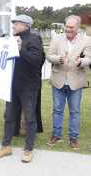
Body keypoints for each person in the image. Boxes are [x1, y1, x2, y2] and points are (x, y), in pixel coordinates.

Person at [0, 14, 43, 163]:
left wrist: (21, 48)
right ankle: (6, 146)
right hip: (12, 85)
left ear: (25, 25)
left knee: (29, 118)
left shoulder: (34, 39)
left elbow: (36, 60)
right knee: (9, 116)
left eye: (16, 23)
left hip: (28, 87)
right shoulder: (10, 39)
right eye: (13, 23)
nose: (13, 26)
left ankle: (28, 149)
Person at [46, 15, 91, 150]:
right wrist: (58, 59)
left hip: (76, 81)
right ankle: (56, 135)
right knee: (57, 110)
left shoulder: (87, 39)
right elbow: (49, 55)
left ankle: (73, 138)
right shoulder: (57, 38)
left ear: (78, 27)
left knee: (75, 112)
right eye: (67, 26)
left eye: (71, 27)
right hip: (58, 79)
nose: (68, 29)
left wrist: (81, 61)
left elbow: (89, 58)